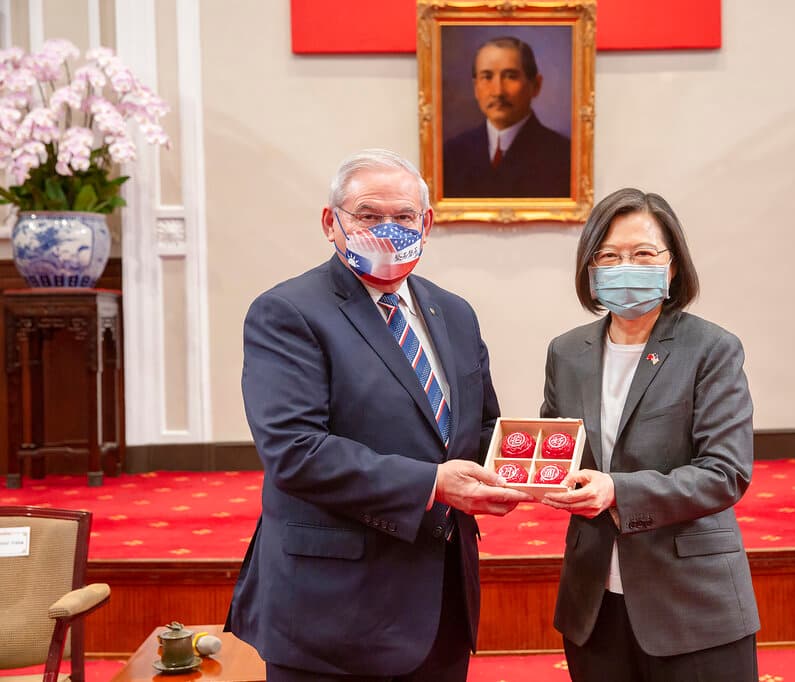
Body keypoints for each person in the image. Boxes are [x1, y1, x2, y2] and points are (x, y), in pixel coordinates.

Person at [225, 148, 532, 682]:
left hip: (440, 603)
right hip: (332, 612)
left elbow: (478, 430)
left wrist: (532, 466)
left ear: (427, 223)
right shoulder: (288, 312)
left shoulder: (454, 312)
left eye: (404, 216)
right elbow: (295, 453)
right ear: (331, 223)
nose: (388, 229)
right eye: (368, 216)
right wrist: (433, 484)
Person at [539, 188, 760, 681]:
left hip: (692, 605)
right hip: (593, 603)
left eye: (642, 254)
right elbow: (559, 450)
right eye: (610, 255)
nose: (626, 266)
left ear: (673, 265)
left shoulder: (711, 349)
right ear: (591, 267)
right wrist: (530, 474)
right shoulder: (566, 352)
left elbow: (725, 474)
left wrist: (618, 490)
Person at [443, 36, 571, 198]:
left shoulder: (563, 156)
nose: (498, 91)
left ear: (535, 85)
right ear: (476, 88)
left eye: (511, 76)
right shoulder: (452, 154)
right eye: (487, 77)